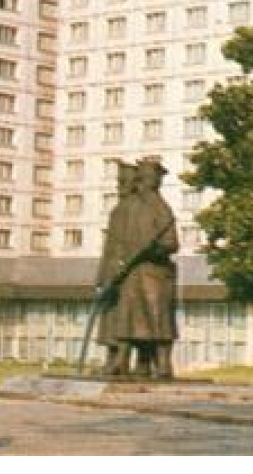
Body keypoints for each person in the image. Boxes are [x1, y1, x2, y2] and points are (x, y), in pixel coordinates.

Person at [96, 157, 179, 378]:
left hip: (155, 274)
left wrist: (152, 250)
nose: (141, 184)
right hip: (132, 274)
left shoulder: (161, 208)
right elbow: (115, 245)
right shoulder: (129, 209)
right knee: (127, 318)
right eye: (141, 179)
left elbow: (172, 243)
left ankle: (162, 365)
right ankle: (122, 362)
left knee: (159, 321)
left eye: (148, 179)